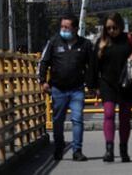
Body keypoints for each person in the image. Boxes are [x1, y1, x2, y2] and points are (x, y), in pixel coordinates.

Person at [88, 12, 132, 162]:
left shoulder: (130, 39)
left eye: (114, 27)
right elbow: (94, 65)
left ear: (121, 26)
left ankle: (124, 150)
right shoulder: (101, 42)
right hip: (107, 83)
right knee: (109, 114)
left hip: (127, 83)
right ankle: (109, 149)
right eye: (108, 28)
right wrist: (93, 86)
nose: (112, 31)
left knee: (125, 118)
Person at [39, 14, 92, 161]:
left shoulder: (85, 44)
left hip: (77, 89)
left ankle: (77, 150)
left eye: (67, 27)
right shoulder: (53, 42)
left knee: (77, 119)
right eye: (62, 27)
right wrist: (43, 81)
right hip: (58, 89)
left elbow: (92, 66)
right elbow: (44, 62)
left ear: (75, 29)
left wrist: (93, 84)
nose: (63, 30)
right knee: (57, 120)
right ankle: (59, 147)